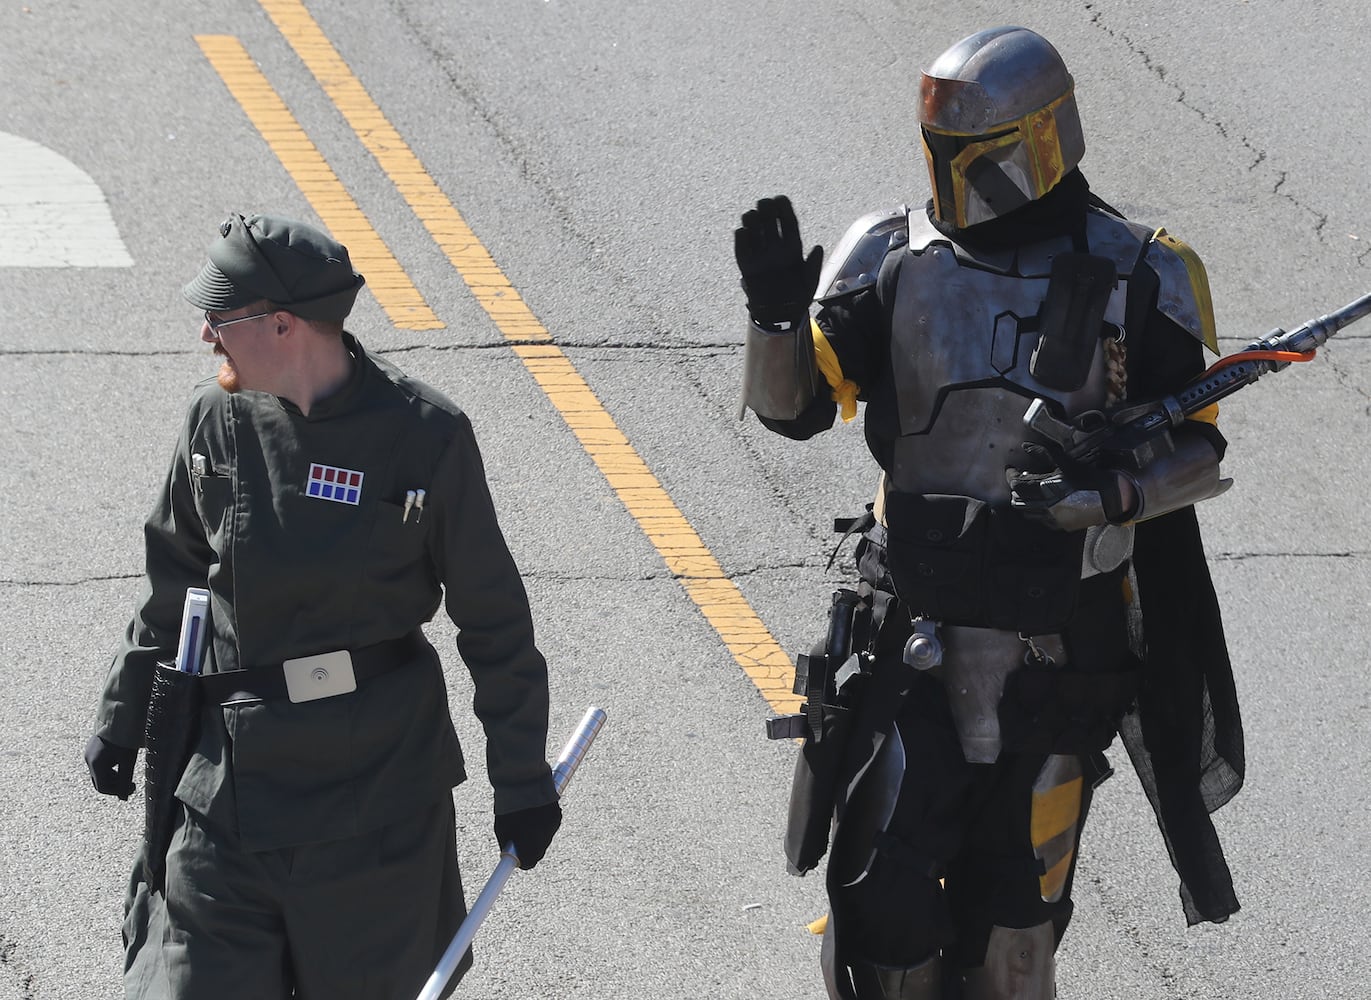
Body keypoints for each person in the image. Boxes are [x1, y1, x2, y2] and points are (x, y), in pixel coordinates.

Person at [735, 26, 1244, 1000]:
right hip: (911, 641)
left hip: (1059, 655)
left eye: (978, 154)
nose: (955, 174)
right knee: (878, 904)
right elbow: (794, 408)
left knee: (1015, 931)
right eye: (943, 153)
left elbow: (1198, 449)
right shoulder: (892, 255)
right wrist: (772, 320)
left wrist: (1104, 494)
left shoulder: (1144, 271)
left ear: (1042, 141)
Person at [83, 212, 563, 999]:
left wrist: (520, 782)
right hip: (228, 793)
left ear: (282, 324)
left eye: (221, 317)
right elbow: (175, 583)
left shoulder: (424, 436)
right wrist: (122, 713)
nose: (206, 335)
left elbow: (493, 622)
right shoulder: (215, 421)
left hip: (376, 807)